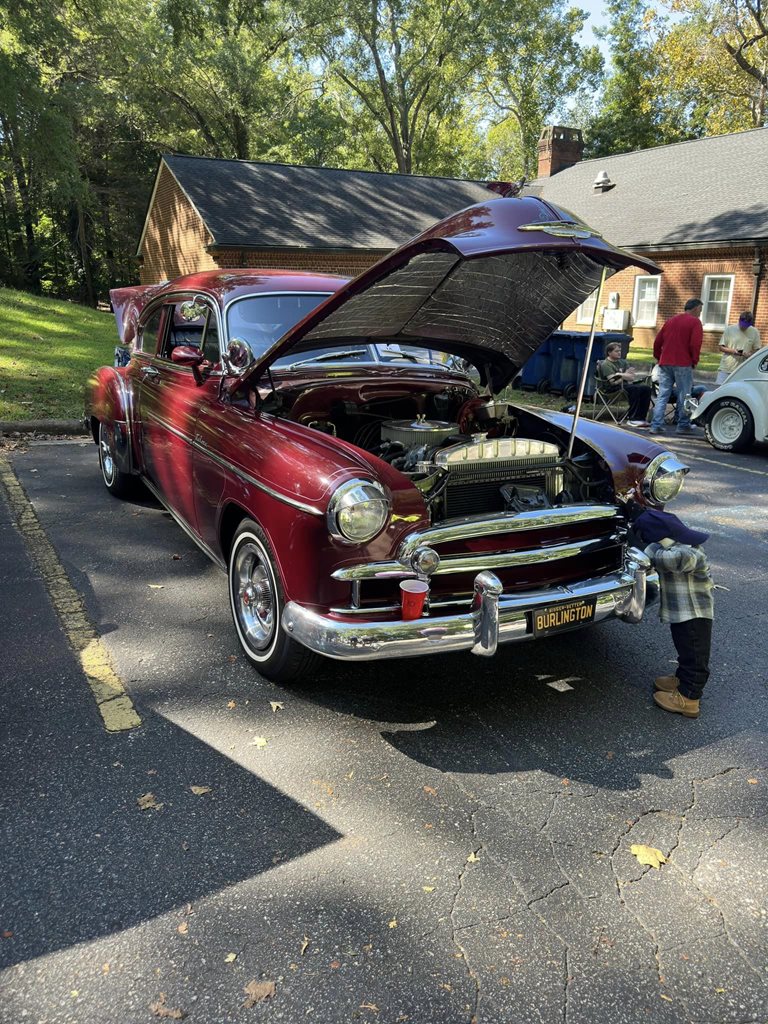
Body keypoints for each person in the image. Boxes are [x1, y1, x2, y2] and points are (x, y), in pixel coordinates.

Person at [633, 509, 714, 719]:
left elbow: (667, 559)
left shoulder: (690, 553)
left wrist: (643, 547)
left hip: (696, 615)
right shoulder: (673, 547)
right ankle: (681, 679)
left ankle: (689, 698)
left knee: (695, 657)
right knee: (686, 651)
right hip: (682, 614)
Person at [649, 298, 704, 435]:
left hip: (665, 362)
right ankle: (683, 424)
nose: (700, 313)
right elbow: (695, 344)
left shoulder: (671, 320)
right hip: (683, 362)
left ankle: (656, 425)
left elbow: (658, 341)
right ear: (696, 308)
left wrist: (659, 357)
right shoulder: (695, 322)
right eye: (700, 310)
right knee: (685, 394)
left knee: (663, 394)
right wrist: (694, 360)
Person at [595, 342, 652, 426]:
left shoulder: (623, 362)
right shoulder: (606, 364)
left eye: (620, 351)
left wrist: (620, 375)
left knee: (646, 388)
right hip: (611, 389)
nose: (619, 353)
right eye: (616, 351)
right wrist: (625, 375)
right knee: (635, 389)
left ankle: (640, 418)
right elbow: (613, 382)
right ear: (609, 353)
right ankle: (632, 418)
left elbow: (631, 377)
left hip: (624, 385)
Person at [716, 311, 761, 385]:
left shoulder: (754, 332)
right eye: (742, 325)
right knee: (720, 391)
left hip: (743, 370)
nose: (744, 327)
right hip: (726, 368)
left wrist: (749, 354)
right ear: (739, 320)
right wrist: (733, 351)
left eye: (746, 326)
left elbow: (757, 349)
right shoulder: (729, 329)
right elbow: (721, 347)